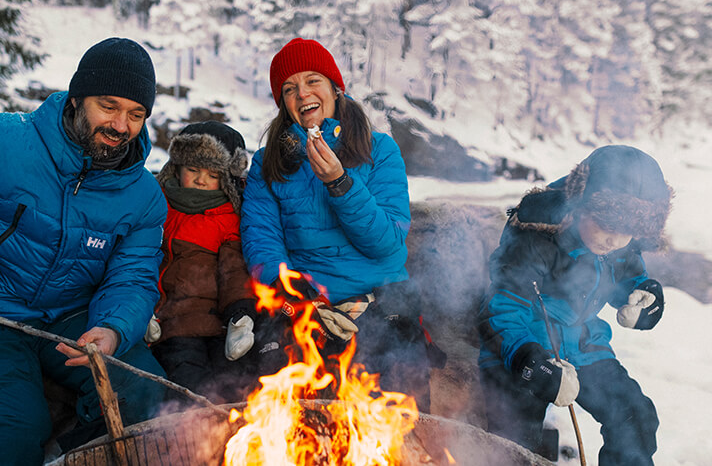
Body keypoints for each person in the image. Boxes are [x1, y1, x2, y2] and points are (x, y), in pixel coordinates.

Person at [0, 37, 168, 465]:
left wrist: (113, 329)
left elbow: (132, 276)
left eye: (136, 114)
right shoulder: (0, 143)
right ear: (77, 98)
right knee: (8, 429)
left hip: (74, 316)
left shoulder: (143, 197)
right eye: (108, 106)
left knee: (153, 402)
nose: (120, 125)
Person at [239, 37, 433, 411]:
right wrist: (300, 300)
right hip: (306, 304)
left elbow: (389, 246)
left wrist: (340, 182)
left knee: (399, 415)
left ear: (335, 88)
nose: (303, 94)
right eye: (290, 89)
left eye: (313, 80)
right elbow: (263, 243)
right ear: (283, 105)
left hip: (381, 300)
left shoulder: (380, 149)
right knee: (290, 413)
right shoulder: (268, 163)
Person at [477, 145, 672, 464]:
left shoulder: (618, 246)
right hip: (520, 350)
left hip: (583, 344)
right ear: (580, 205)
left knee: (635, 416)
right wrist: (534, 365)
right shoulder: (534, 239)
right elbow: (500, 313)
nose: (613, 239)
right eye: (606, 224)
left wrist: (645, 295)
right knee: (515, 442)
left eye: (626, 232)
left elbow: (629, 278)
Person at [150, 121, 257, 404]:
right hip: (173, 325)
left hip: (219, 325)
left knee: (235, 387)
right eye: (193, 170)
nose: (201, 180)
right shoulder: (159, 208)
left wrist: (240, 313)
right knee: (190, 387)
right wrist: (147, 309)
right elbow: (146, 261)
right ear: (177, 169)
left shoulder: (229, 217)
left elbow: (234, 272)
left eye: (212, 174)